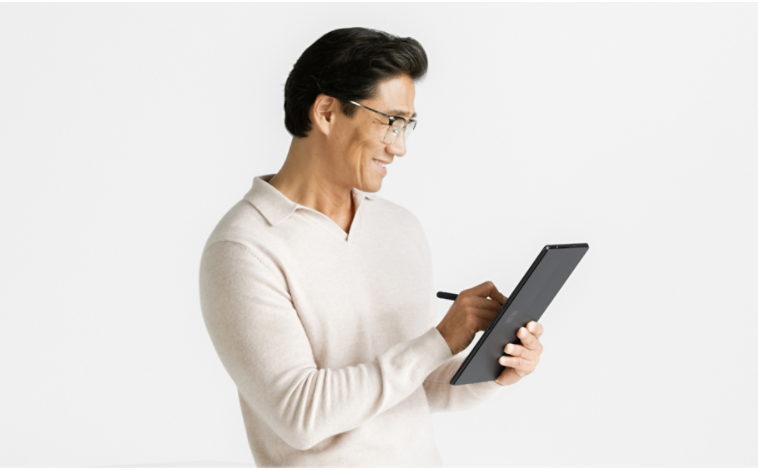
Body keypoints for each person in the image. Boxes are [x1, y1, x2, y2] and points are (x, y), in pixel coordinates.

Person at [198, 27, 545, 467]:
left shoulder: (399, 227)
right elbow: (300, 415)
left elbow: (417, 388)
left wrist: (495, 369)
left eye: (407, 125)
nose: (399, 146)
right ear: (326, 112)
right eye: (390, 121)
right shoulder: (243, 247)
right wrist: (440, 339)